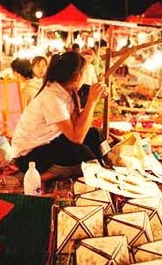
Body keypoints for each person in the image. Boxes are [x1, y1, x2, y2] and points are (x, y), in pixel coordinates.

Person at [11, 51, 106, 184]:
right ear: (78, 76)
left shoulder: (67, 91)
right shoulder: (52, 97)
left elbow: (79, 128)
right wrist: (91, 102)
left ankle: (103, 165)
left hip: (47, 145)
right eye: (84, 73)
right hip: (28, 157)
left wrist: (88, 100)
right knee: (80, 151)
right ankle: (44, 176)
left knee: (94, 134)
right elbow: (76, 138)